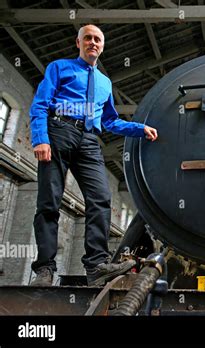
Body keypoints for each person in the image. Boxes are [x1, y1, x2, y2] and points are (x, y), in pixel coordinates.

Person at [29, 24, 158, 286]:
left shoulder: (105, 82)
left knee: (101, 198)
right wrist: (41, 139)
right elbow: (40, 104)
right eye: (87, 38)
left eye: (97, 39)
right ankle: (44, 269)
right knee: (49, 202)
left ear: (102, 45)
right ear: (78, 43)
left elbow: (110, 121)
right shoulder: (59, 67)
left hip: (89, 138)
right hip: (58, 131)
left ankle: (96, 264)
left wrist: (139, 128)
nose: (93, 43)